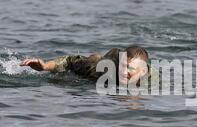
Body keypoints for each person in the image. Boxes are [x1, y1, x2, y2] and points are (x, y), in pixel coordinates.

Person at [20, 45, 150, 86]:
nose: (124, 71)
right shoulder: (102, 69)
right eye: (123, 66)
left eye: (130, 69)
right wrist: (45, 67)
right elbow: (70, 60)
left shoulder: (152, 83)